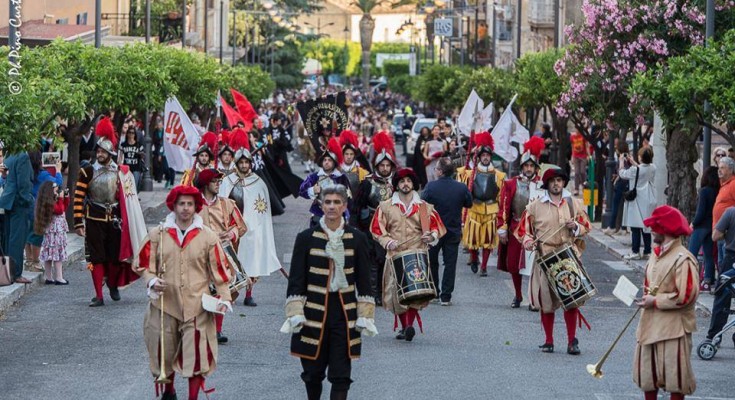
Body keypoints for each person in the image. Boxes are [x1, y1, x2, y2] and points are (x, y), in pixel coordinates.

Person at [134, 185, 233, 400]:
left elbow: (220, 271)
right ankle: (169, 393)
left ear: (196, 207)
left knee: (196, 357)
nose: (186, 209)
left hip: (197, 306)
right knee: (163, 352)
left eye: (190, 204)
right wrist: (151, 280)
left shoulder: (208, 237)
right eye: (181, 204)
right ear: (173, 206)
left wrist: (225, 297)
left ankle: (193, 397)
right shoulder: (157, 234)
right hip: (164, 305)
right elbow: (143, 264)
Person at [281, 184, 377, 400]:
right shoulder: (306, 237)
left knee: (341, 375)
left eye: (336, 202)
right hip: (312, 314)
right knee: (312, 374)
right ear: (321, 205)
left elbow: (364, 280)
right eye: (327, 202)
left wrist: (365, 314)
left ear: (344, 206)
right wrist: (295, 311)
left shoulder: (357, 238)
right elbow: (296, 280)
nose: (332, 206)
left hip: (344, 315)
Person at [73, 116, 147, 307]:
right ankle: (99, 295)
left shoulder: (120, 173)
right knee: (96, 258)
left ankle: (113, 284)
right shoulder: (87, 171)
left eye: (103, 151)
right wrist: (78, 222)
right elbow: (79, 197)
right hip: (94, 219)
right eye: (98, 151)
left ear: (110, 153)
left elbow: (127, 199)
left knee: (114, 258)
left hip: (114, 220)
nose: (99, 154)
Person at [517, 167, 591, 355]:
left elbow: (587, 226)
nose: (556, 184)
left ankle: (571, 341)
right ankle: (548, 341)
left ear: (563, 183)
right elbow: (523, 230)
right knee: (546, 301)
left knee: (572, 297)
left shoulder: (573, 204)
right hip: (545, 256)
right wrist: (527, 241)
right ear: (547, 184)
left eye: (559, 180)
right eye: (553, 181)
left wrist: (576, 227)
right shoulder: (534, 206)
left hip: (568, 255)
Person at [371, 168, 446, 342]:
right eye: (402, 181)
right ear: (397, 185)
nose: (406, 184)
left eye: (409, 181)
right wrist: (387, 241)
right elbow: (377, 229)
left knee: (415, 292)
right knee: (395, 293)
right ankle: (406, 327)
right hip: (395, 254)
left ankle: (409, 326)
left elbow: (436, 227)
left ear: (413, 184)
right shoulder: (385, 206)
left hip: (417, 254)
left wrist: (431, 236)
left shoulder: (424, 207)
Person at [633, 205, 699, 400]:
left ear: (666, 229)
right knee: (647, 376)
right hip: (649, 324)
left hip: (673, 328)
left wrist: (656, 301)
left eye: (655, 226)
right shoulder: (655, 253)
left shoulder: (684, 259)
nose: (651, 230)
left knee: (675, 379)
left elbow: (687, 295)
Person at [220, 130, 282, 307]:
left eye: (247, 162)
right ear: (237, 163)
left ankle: (249, 293)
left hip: (251, 229)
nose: (245, 165)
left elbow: (261, 211)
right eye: (242, 162)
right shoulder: (227, 180)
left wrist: (255, 227)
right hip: (231, 229)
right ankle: (229, 292)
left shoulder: (258, 183)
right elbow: (222, 203)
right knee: (229, 261)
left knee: (250, 262)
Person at [195, 168, 247, 343]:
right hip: (198, 253)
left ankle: (216, 330)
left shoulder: (228, 204)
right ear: (205, 184)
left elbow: (241, 226)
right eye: (214, 181)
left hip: (222, 254)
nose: (218, 184)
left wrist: (232, 233)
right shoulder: (193, 204)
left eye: (219, 181)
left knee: (223, 290)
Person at [497, 137, 545, 308]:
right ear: (522, 167)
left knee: (534, 266)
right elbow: (504, 206)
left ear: (536, 168)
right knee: (514, 265)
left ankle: (533, 299)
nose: (529, 168)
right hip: (516, 228)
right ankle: (518, 295)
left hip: (536, 231)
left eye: (532, 166)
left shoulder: (542, 185)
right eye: (526, 166)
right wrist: (502, 227)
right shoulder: (512, 183)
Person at [421, 157, 472, 306]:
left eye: (436, 168)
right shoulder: (461, 187)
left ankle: (434, 291)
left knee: (432, 261)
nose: (435, 170)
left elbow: (422, 205)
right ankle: (446, 296)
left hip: (434, 230)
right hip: (453, 229)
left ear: (441, 171)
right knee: (450, 264)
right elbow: (469, 203)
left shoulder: (431, 187)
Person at [456, 131, 506, 276]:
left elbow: (500, 195)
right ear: (478, 157)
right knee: (473, 238)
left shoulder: (498, 175)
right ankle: (473, 257)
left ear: (490, 157)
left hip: (491, 211)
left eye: (487, 156)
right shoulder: (471, 174)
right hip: (474, 209)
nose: (485, 158)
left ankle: (484, 266)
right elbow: (464, 188)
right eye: (482, 156)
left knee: (488, 241)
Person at [354, 142, 397, 305]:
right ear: (377, 166)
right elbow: (357, 206)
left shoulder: (396, 183)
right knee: (374, 261)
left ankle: (384, 291)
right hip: (370, 227)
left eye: (387, 165)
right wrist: (358, 226)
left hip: (391, 227)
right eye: (382, 165)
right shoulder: (368, 183)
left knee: (387, 260)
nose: (385, 168)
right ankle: (372, 294)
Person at [299, 137, 352, 226]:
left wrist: (346, 215)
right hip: (319, 213)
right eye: (325, 160)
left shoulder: (341, 177)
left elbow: (349, 199)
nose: (327, 162)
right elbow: (301, 191)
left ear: (334, 163)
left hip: (337, 215)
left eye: (330, 160)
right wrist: (312, 190)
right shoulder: (314, 177)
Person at [0, 151, 34, 284]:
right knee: (17, 239)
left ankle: (7, 271)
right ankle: (16, 273)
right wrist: (27, 200)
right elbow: (24, 183)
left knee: (8, 238)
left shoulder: (9, 155)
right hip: (18, 201)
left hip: (8, 200)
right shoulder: (23, 156)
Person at [620, 147, 657, 260]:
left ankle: (635, 251)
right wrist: (634, 163)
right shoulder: (653, 168)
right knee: (646, 226)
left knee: (635, 226)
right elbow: (643, 169)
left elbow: (622, 174)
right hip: (649, 199)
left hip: (637, 200)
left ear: (641, 157)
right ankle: (647, 251)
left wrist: (622, 161)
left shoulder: (634, 170)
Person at [708, 203, 735, 344]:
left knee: (722, 297)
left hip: (731, 258)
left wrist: (727, 234)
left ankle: (714, 335)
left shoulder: (730, 212)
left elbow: (715, 236)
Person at [688, 166, 719, 292]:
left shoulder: (704, 191)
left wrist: (693, 223)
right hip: (711, 225)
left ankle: (689, 280)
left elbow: (700, 212)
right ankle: (707, 280)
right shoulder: (717, 191)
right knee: (708, 255)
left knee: (691, 254)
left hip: (701, 226)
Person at [34, 181, 70, 285]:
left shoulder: (51, 200)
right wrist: (60, 198)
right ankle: (59, 277)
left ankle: (49, 277)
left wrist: (65, 198)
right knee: (57, 253)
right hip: (55, 231)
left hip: (54, 231)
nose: (57, 190)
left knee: (49, 254)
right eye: (55, 188)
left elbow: (64, 208)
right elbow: (59, 210)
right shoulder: (49, 202)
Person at [339, 130, 370, 226]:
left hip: (356, 210)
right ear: (342, 155)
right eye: (346, 154)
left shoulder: (361, 171)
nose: (348, 157)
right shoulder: (337, 171)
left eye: (351, 154)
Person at [603, 140, 632, 235]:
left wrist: (618, 176)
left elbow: (622, 171)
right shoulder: (629, 157)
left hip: (621, 184)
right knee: (625, 206)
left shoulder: (621, 158)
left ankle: (612, 226)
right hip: (627, 183)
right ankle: (623, 228)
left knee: (615, 205)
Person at [712, 156, 735, 270]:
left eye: (723, 168)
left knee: (726, 267)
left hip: (727, 235)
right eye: (719, 168)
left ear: (731, 170)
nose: (719, 170)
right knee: (721, 264)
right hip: (720, 233)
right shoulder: (724, 185)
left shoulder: (733, 184)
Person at [118, 125, 145, 190]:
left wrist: (141, 154)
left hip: (136, 168)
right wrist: (119, 165)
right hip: (126, 168)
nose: (131, 134)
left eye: (133, 133)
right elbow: (120, 156)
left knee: (134, 184)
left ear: (135, 135)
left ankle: (134, 198)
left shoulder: (139, 145)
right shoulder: (123, 145)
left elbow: (142, 156)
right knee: (126, 185)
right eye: (129, 132)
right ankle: (128, 198)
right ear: (127, 134)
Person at [570, 129, 588, 196]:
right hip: (576, 156)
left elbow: (586, 145)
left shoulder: (583, 136)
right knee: (577, 172)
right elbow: (572, 146)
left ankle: (584, 186)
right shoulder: (572, 137)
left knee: (582, 172)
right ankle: (576, 189)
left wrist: (588, 155)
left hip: (583, 156)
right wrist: (572, 156)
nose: (577, 130)